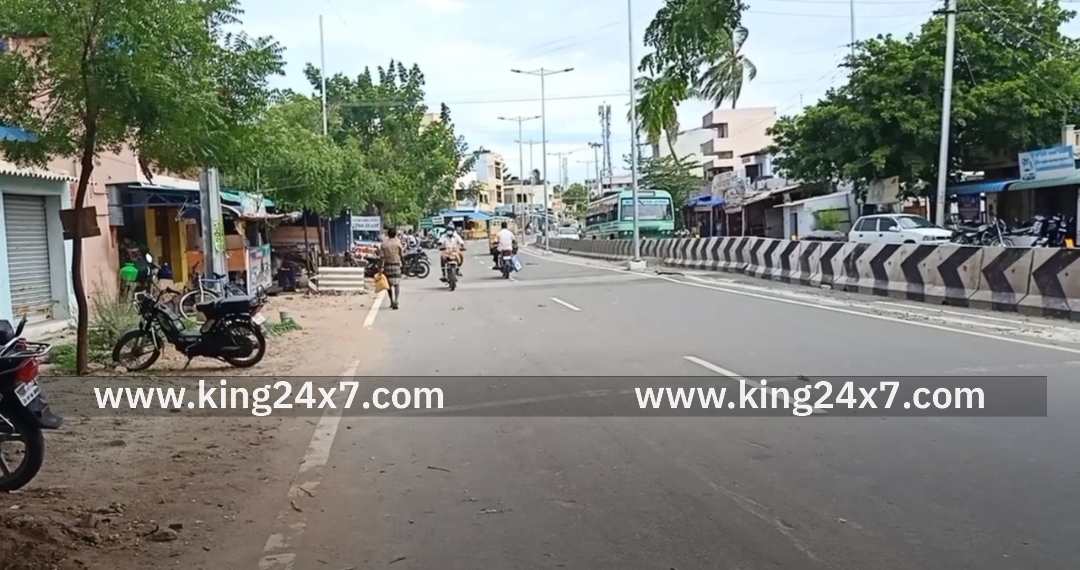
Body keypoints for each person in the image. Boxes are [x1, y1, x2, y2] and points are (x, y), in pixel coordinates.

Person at [379, 227, 405, 310]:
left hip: (387, 265)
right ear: (395, 234)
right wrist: (404, 264)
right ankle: (396, 300)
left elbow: (382, 258)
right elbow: (401, 255)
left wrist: (380, 268)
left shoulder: (384, 244)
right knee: (397, 284)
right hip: (396, 265)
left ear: (388, 234)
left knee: (389, 285)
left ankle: (391, 301)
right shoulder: (398, 243)